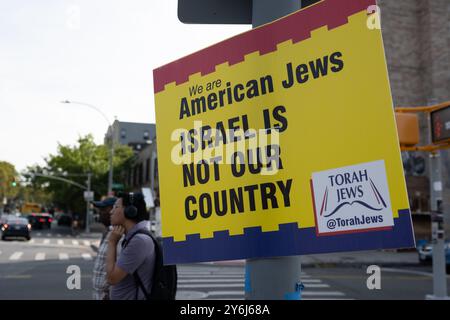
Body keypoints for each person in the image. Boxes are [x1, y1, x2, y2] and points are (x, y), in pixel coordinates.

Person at [106, 192, 155, 300]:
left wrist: (112, 243)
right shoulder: (133, 237)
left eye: (116, 207)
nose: (111, 212)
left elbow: (112, 278)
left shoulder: (139, 241)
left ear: (130, 211)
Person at [91, 197, 117, 300]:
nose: (100, 212)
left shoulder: (118, 235)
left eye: (103, 209)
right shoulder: (108, 232)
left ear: (113, 210)